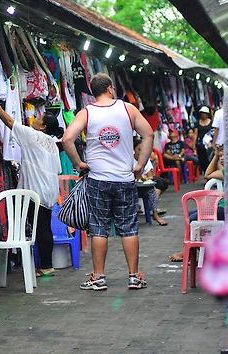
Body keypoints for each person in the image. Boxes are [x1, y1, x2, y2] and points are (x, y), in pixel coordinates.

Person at [62, 73, 154, 291]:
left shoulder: (87, 112)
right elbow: (148, 134)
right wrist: (140, 165)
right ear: (111, 88)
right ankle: (133, 277)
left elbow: (67, 139)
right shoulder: (127, 109)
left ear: (94, 93)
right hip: (124, 178)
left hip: (97, 179)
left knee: (99, 228)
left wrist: (79, 164)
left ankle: (99, 277)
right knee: (129, 227)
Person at [0, 91, 62, 277]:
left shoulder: (32, 135)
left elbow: (9, 122)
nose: (35, 118)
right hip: (49, 189)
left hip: (35, 190)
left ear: (43, 127)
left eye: (39, 118)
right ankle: (46, 264)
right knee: (44, 226)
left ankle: (46, 266)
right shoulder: (52, 143)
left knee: (40, 227)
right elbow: (57, 170)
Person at [168, 147, 225, 262]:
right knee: (190, 215)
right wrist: (216, 156)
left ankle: (190, 252)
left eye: (224, 156)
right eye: (221, 156)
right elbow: (208, 174)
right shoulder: (226, 171)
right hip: (222, 207)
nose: (222, 158)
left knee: (193, 219)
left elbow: (208, 174)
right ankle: (197, 250)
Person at [133, 138, 167, 226]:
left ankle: (155, 214)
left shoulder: (145, 159)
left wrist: (144, 177)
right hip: (131, 187)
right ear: (134, 150)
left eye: (142, 150)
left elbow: (150, 175)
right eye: (138, 149)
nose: (140, 152)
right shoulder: (129, 160)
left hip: (142, 186)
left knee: (152, 188)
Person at [194, 106, 212, 173]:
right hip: (200, 145)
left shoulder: (211, 123)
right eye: (202, 113)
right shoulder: (197, 123)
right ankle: (206, 174)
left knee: (209, 160)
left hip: (209, 145)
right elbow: (195, 134)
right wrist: (194, 146)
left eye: (204, 113)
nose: (203, 114)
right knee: (202, 161)